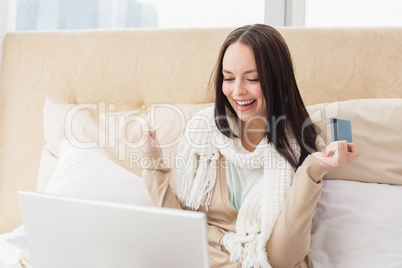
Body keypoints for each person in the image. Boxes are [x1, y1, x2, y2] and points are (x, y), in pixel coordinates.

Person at [131, 24, 359, 268]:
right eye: (228, 78)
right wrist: (151, 157)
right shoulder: (202, 132)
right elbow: (177, 224)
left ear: (277, 80)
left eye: (252, 79)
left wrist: (311, 171)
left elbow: (282, 258)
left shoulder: (303, 146)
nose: (237, 91)